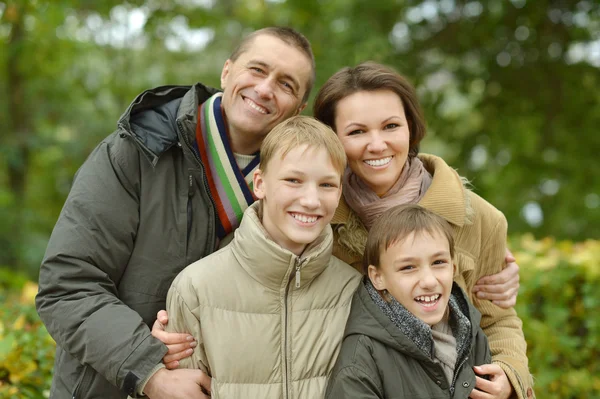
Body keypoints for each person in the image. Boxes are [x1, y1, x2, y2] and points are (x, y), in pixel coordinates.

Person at [35, 27, 315, 399]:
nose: (265, 89)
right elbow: (68, 286)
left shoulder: (304, 192)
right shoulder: (136, 149)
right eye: (257, 70)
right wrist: (149, 369)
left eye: (286, 84)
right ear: (227, 71)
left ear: (298, 109)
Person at [313, 62, 534, 399]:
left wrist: (509, 372)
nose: (377, 145)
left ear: (411, 128)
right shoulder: (316, 220)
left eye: (390, 126)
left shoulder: (479, 219)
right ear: (332, 139)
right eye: (357, 132)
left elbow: (498, 319)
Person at [164, 116, 362, 398]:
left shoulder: (353, 290)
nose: (311, 200)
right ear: (260, 184)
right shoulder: (195, 288)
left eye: (327, 185)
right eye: (293, 180)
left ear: (339, 192)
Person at [326, 204, 492, 398]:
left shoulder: (473, 335)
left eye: (438, 263)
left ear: (453, 268)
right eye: (408, 267)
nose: (429, 281)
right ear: (377, 277)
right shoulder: (363, 356)